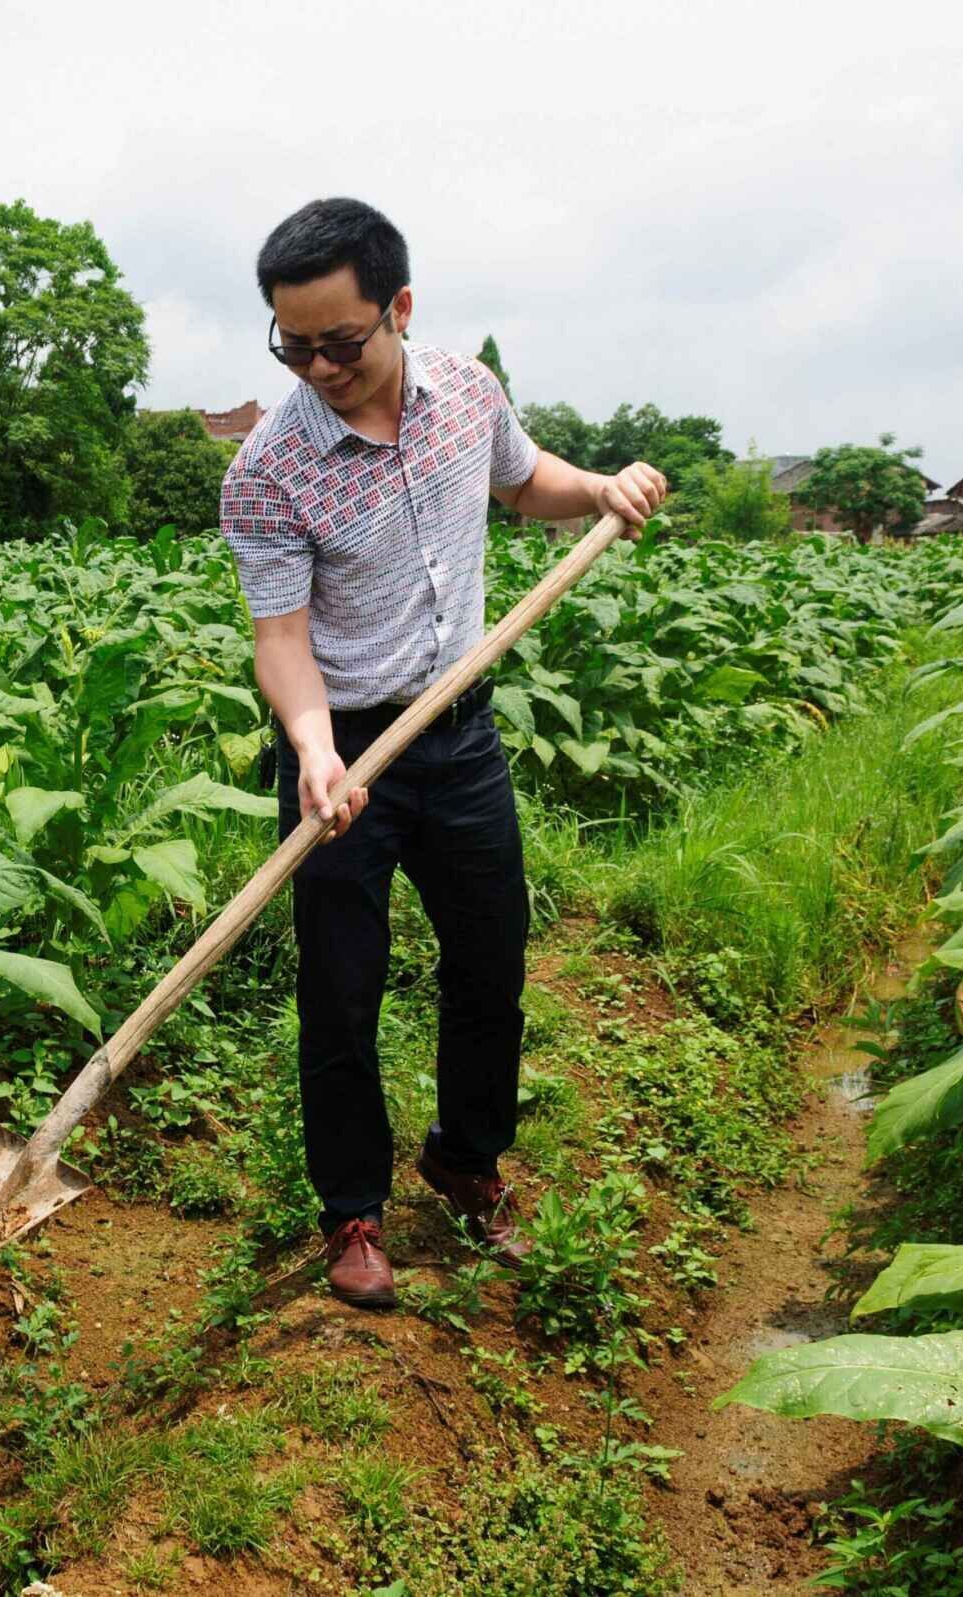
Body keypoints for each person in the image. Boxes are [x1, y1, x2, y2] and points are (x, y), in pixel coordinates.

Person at [220, 198, 666, 1309]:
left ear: (400, 308)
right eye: (293, 346)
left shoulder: (468, 392)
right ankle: (352, 1209)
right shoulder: (269, 470)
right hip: (345, 749)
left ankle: (466, 1160)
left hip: (460, 734)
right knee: (340, 989)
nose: (318, 367)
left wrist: (597, 489)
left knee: (489, 961)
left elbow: (524, 479)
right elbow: (282, 641)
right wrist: (314, 750)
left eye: (340, 341)